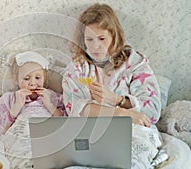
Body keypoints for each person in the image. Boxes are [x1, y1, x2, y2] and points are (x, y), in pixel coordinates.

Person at [62, 3, 163, 168]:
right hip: (90, 133)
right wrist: (121, 113)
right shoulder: (77, 68)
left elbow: (151, 111)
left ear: (114, 36)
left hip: (133, 133)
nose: (95, 46)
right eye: (89, 39)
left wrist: (116, 99)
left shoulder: (135, 64)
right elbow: (75, 108)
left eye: (102, 38)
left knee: (131, 161)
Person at [0, 51, 66, 136]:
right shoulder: (8, 99)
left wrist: (49, 105)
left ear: (44, 78)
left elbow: (67, 124)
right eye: (26, 78)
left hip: (47, 136)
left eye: (37, 78)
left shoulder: (53, 97)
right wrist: (16, 107)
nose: (32, 83)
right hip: (20, 137)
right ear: (16, 79)